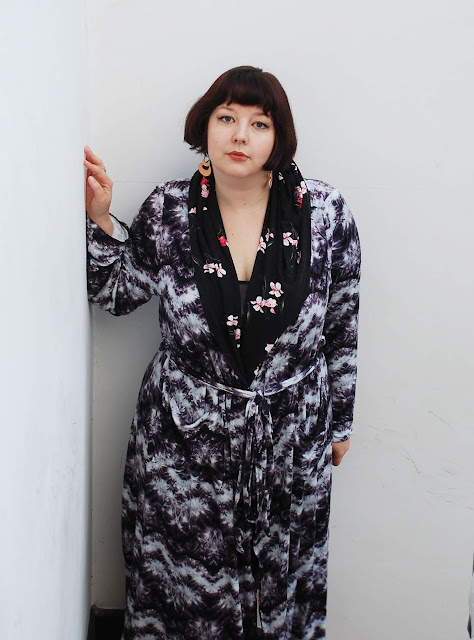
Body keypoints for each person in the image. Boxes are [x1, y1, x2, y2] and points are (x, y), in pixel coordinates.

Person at [84, 66, 361, 640]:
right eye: (227, 117)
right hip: (184, 443)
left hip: (290, 440)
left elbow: (342, 324)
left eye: (259, 123)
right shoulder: (169, 210)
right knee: (187, 595)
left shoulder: (327, 214)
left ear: (279, 137)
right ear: (204, 127)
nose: (240, 135)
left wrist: (340, 424)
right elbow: (117, 293)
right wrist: (101, 218)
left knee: (280, 590)